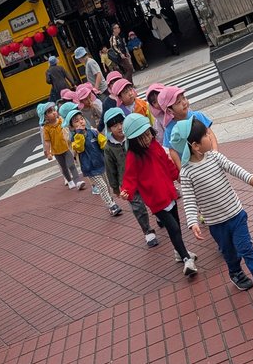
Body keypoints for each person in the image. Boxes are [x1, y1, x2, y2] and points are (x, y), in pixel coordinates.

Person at [172, 117, 253, 297]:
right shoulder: (187, 173)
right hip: (216, 223)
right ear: (196, 146)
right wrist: (193, 221)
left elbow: (234, 168)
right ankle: (236, 273)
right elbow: (189, 200)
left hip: (236, 214)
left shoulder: (215, 157)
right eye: (206, 135)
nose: (210, 137)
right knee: (230, 254)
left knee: (246, 247)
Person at [120, 112, 197, 276]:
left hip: (169, 193)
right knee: (173, 228)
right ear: (134, 141)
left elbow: (168, 164)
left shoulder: (155, 146)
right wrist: (126, 191)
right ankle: (186, 259)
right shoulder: (133, 156)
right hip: (155, 200)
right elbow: (130, 177)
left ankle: (179, 251)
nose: (147, 138)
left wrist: (178, 176)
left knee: (176, 226)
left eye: (148, 134)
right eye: (142, 137)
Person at [103, 107, 158, 247]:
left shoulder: (133, 136)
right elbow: (110, 169)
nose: (119, 127)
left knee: (153, 198)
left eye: (121, 123)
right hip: (127, 184)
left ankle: (159, 214)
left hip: (144, 176)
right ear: (109, 129)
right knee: (138, 207)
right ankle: (147, 231)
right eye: (115, 126)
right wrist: (115, 187)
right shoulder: (109, 147)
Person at [64, 107, 122, 217]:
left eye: (81, 119)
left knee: (107, 185)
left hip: (101, 163)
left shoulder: (93, 132)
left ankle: (110, 201)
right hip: (90, 168)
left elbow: (103, 142)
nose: (80, 122)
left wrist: (107, 147)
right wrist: (80, 134)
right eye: (76, 121)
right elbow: (79, 148)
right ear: (72, 127)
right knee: (102, 187)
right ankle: (111, 205)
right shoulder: (76, 138)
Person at [157, 85, 218, 169]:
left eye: (184, 98)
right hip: (190, 167)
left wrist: (215, 151)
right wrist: (180, 168)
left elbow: (209, 133)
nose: (184, 102)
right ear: (169, 110)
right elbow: (172, 150)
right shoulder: (170, 128)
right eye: (178, 102)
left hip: (209, 158)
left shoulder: (197, 116)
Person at [39, 101, 84, 190]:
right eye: (50, 112)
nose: (54, 112)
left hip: (66, 148)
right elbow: (47, 142)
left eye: (54, 110)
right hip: (56, 151)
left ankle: (77, 181)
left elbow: (69, 129)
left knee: (71, 165)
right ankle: (69, 181)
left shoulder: (61, 121)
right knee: (64, 167)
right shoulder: (46, 128)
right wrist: (48, 153)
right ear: (45, 116)